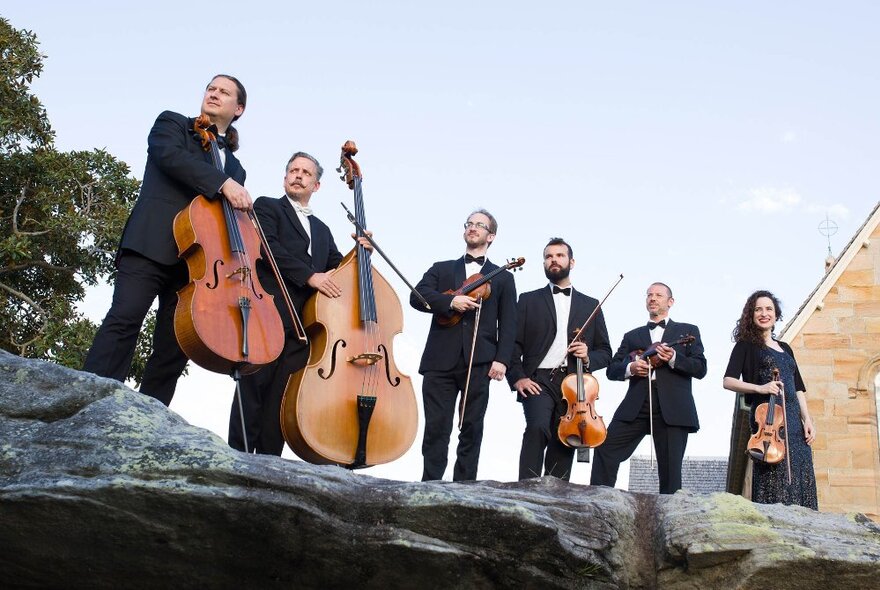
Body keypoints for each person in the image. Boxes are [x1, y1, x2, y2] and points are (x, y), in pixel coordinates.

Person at [83, 75, 252, 405]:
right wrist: (222, 183)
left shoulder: (236, 167)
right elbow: (170, 158)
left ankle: (151, 417)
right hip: (151, 243)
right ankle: (91, 400)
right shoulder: (173, 124)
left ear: (239, 108)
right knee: (124, 319)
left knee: (175, 346)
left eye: (224, 92)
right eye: (211, 88)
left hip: (196, 264)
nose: (214, 94)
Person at [228, 152, 346, 455]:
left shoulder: (322, 229)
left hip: (303, 325)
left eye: (306, 173)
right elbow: (269, 248)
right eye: (293, 170)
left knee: (281, 401)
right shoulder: (268, 207)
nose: (298, 175)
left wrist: (360, 253)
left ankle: (269, 468)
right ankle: (236, 459)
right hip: (268, 313)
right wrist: (311, 277)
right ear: (285, 178)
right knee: (252, 390)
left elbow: (339, 267)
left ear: (316, 185)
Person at [411, 209, 517, 481]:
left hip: (480, 360)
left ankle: (465, 488)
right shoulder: (441, 268)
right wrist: (450, 302)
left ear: (490, 236)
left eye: (480, 225)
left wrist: (502, 359)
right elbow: (417, 296)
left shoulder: (503, 276)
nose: (473, 228)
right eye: (469, 223)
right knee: (436, 426)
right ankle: (430, 484)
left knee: (471, 426)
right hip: (439, 359)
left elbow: (508, 323)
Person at [507, 238, 612, 480]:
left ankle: (556, 496)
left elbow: (606, 352)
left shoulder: (591, 305)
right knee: (537, 427)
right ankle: (526, 489)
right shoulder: (527, 300)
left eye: (559, 255)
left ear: (571, 262)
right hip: (538, 378)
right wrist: (518, 378)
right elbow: (514, 344)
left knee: (565, 438)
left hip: (576, 385)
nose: (553, 260)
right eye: (548, 256)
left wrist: (588, 357)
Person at [590, 282, 706, 494]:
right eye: (649, 295)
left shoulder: (688, 331)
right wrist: (631, 368)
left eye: (658, 295)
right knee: (605, 448)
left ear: (670, 302)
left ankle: (670, 520)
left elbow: (700, 368)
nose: (652, 298)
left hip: (673, 408)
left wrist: (674, 358)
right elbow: (612, 370)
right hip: (637, 405)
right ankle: (598, 501)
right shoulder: (632, 335)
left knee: (671, 471)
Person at [722, 290, 818, 509]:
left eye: (768, 309)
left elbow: (798, 387)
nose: (764, 313)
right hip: (768, 421)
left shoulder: (786, 348)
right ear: (751, 315)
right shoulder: (745, 346)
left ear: (776, 315)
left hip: (793, 423)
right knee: (774, 480)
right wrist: (761, 387)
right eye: (758, 309)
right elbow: (728, 381)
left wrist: (808, 420)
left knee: (801, 476)